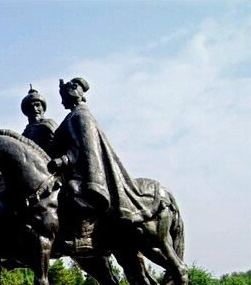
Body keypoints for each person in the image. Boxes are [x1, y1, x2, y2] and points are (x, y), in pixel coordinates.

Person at [48, 77, 161, 253]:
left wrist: (63, 160)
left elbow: (85, 149)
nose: (62, 100)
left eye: (64, 96)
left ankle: (84, 234)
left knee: (72, 189)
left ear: (73, 95)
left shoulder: (80, 116)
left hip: (84, 171)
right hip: (70, 169)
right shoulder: (71, 117)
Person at [20, 85, 59, 158]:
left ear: (43, 108)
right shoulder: (25, 133)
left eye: (37, 105)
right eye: (31, 107)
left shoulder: (49, 123)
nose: (35, 109)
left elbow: (62, 143)